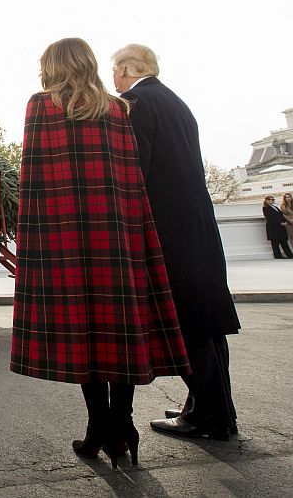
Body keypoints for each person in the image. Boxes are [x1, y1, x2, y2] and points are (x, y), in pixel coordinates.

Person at [11, 38, 190, 469]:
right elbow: (131, 180)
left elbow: (33, 181)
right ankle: (122, 427)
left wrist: (29, 241)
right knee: (118, 327)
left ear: (54, 67)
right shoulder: (117, 109)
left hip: (65, 237)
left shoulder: (41, 106)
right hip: (118, 235)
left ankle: (98, 427)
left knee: (82, 330)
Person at [112, 43, 241, 440]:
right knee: (206, 321)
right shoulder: (175, 101)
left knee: (184, 321)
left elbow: (136, 173)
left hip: (166, 229)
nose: (111, 78)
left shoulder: (135, 102)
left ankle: (212, 418)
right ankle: (209, 407)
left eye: (114, 69)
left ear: (128, 68)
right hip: (196, 223)